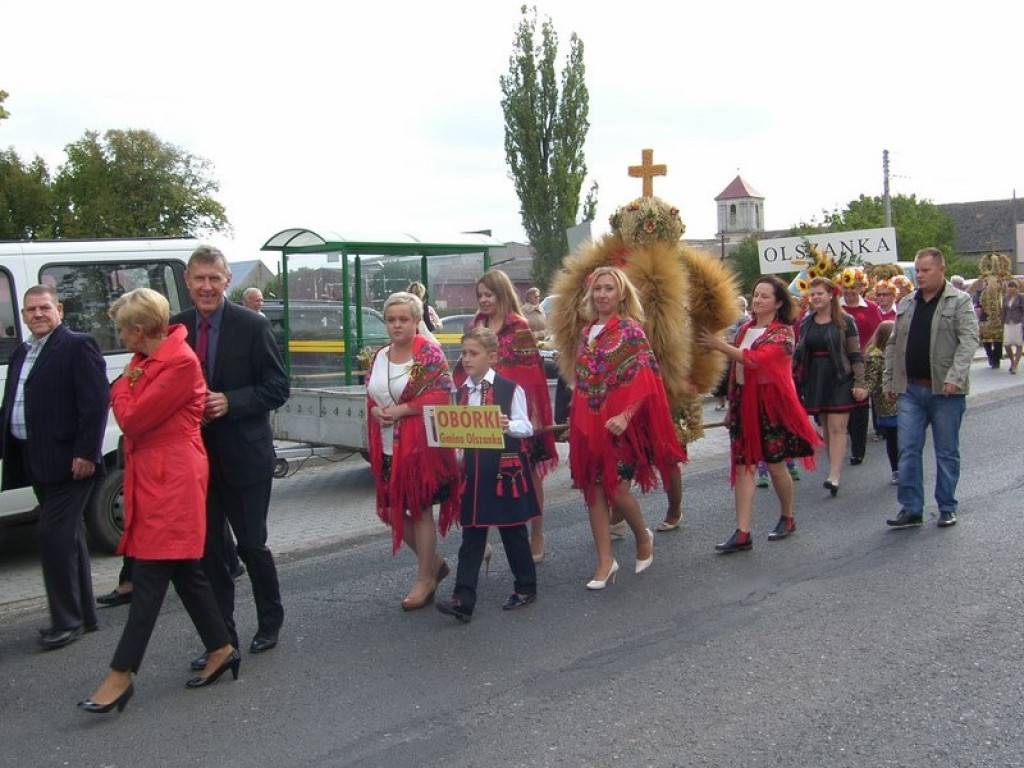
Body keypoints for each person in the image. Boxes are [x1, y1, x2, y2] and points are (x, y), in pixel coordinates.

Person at [78, 289, 237, 715]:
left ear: (142, 328)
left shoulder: (179, 362)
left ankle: (121, 674)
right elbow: (133, 410)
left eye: (123, 328)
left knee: (148, 577)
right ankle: (221, 648)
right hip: (155, 474)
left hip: (174, 478)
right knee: (186, 570)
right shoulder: (145, 361)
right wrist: (123, 391)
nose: (120, 335)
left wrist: (119, 392)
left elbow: (131, 418)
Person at [171, 245, 290, 667]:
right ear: (187, 281)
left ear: (227, 282)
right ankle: (220, 639)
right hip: (195, 461)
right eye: (199, 278)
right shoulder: (175, 327)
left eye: (214, 278)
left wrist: (231, 402)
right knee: (207, 554)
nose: (206, 286)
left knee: (251, 547)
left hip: (245, 456)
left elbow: (278, 388)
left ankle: (270, 621)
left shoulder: (251, 325)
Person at [0, 285, 108, 650]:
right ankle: (85, 615)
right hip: (36, 461)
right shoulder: (22, 352)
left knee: (51, 536)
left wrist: (86, 453)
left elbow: (94, 403)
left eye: (44, 307)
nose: (38, 314)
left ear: (59, 309)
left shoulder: (78, 345)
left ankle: (67, 621)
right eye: (31, 310)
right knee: (69, 537)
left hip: (70, 463)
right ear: (24, 315)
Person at [568, 267, 684, 588]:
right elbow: (581, 381)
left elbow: (645, 377)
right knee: (593, 491)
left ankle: (642, 535)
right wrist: (573, 420)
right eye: (598, 289)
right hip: (588, 423)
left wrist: (626, 416)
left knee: (617, 490)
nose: (602, 294)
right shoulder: (585, 332)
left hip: (618, 427)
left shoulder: (630, 330)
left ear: (621, 294)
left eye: (609, 289)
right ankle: (605, 561)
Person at [700, 277, 820, 552]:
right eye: (756, 295)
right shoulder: (744, 330)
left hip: (769, 405)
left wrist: (719, 346)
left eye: (765, 296)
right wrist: (732, 405)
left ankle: (787, 517)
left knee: (776, 464)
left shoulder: (783, 333)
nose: (758, 300)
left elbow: (757, 360)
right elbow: (737, 371)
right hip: (744, 402)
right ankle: (742, 532)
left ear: (778, 302)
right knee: (743, 466)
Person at [436, 327, 539, 623]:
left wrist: (508, 424)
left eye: (473, 353)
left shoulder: (508, 389)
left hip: (503, 471)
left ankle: (526, 587)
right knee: (472, 534)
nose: (466, 359)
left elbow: (527, 427)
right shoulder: (463, 391)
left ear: (491, 357)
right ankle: (463, 599)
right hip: (475, 472)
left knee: (513, 531)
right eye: (464, 353)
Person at [367, 291, 461, 610]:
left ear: (417, 321)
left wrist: (403, 409)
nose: (396, 326)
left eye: (403, 319)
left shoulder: (427, 354)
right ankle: (433, 562)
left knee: (420, 510)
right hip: (388, 446)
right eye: (391, 320)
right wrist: (377, 412)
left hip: (420, 448)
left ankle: (424, 578)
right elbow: (374, 394)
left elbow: (441, 395)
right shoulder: (381, 355)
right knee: (392, 510)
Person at [455, 270, 556, 563]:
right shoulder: (476, 324)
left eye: (489, 294)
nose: (484, 300)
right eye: (480, 295)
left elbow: (532, 375)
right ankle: (480, 536)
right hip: (480, 417)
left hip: (514, 412)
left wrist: (530, 415)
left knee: (530, 473)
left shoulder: (518, 326)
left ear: (502, 294)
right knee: (479, 473)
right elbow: (464, 368)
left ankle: (536, 532)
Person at [884, 247, 979, 529]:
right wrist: (890, 380)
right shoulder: (907, 303)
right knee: (908, 449)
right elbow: (893, 345)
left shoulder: (959, 301)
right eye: (918, 270)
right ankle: (911, 508)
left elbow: (968, 341)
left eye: (926, 270)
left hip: (945, 391)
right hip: (911, 390)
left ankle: (947, 506)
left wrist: (955, 377)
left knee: (946, 450)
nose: (920, 275)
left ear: (941, 270)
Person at [793, 277, 867, 497]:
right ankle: (833, 469)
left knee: (837, 428)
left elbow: (855, 353)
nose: (815, 297)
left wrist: (860, 382)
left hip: (839, 377)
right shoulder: (806, 322)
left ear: (831, 295)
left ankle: (834, 475)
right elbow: (799, 352)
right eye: (812, 294)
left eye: (819, 293)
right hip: (816, 378)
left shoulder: (845, 321)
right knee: (825, 428)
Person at [840, 270, 882, 466]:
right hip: (842, 362)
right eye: (845, 287)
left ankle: (858, 449)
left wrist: (867, 351)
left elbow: (878, 332)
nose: (849, 291)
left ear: (861, 287)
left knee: (861, 402)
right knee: (845, 400)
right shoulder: (837, 309)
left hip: (865, 359)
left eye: (853, 287)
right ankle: (848, 432)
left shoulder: (871, 308)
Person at [864, 321, 899, 484]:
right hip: (889, 403)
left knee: (895, 438)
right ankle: (897, 469)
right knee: (896, 438)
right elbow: (871, 379)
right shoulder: (876, 356)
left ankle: (897, 469)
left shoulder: (874, 354)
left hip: (888, 404)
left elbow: (869, 381)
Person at [1001, 279, 1023, 374]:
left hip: (1018, 323)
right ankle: (1012, 361)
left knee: (1018, 344)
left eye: (1011, 287)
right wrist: (1002, 323)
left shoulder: (1021, 297)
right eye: (1008, 287)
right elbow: (1003, 311)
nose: (1009, 289)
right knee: (1007, 344)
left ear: (1016, 288)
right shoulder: (1005, 298)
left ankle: (1015, 365)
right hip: (1008, 323)